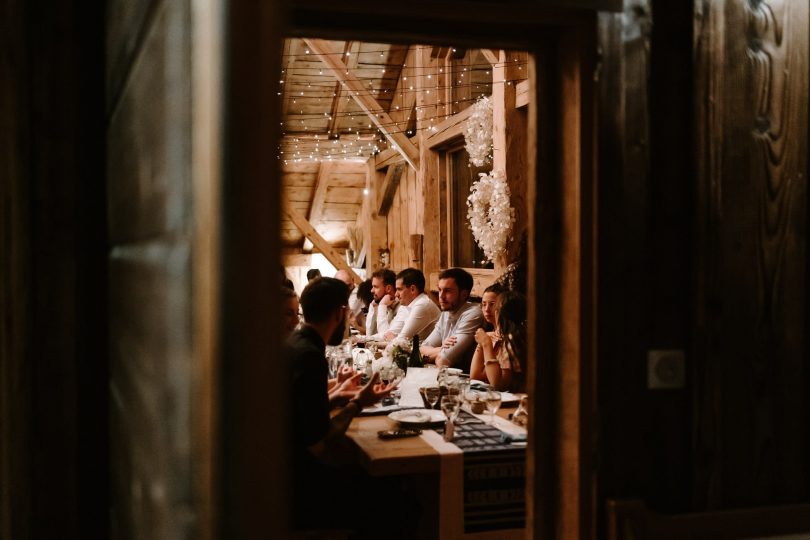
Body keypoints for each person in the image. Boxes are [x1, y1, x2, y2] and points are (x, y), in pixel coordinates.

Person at [286, 277, 396, 532]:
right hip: (301, 481)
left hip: (282, 465)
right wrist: (359, 403)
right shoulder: (310, 355)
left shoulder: (295, 343)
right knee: (390, 490)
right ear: (340, 312)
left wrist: (338, 393)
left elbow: (304, 409)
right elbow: (319, 443)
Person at [420, 268, 484, 370]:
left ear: (463, 294)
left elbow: (444, 359)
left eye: (447, 291)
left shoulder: (473, 314)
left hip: (466, 378)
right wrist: (442, 348)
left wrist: (431, 354)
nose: (441, 296)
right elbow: (421, 349)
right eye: (440, 290)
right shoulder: (446, 312)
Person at [470, 290, 527, 392]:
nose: (488, 310)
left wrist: (486, 344)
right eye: (483, 304)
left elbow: (498, 384)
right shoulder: (503, 338)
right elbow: (475, 376)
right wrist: (483, 343)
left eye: (494, 306)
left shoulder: (512, 340)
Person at [383, 268, 440, 342]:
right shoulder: (406, 305)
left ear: (412, 289)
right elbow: (387, 333)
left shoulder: (422, 304)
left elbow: (401, 341)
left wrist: (393, 339)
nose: (396, 294)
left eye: (399, 289)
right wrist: (363, 339)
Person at [364, 268, 401, 340]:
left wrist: (382, 305)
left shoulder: (401, 307)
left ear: (388, 288)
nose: (372, 290)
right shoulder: (384, 305)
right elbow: (370, 335)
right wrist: (373, 308)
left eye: (376, 287)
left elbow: (386, 338)